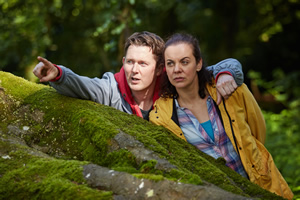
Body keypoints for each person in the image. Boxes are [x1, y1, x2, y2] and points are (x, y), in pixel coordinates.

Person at [149, 33, 293, 199]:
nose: (177, 69)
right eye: (170, 63)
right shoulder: (162, 118)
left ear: (198, 63)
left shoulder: (232, 91)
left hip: (259, 186)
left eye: (184, 62)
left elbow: (257, 131)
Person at [33, 31, 243, 121]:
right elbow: (82, 85)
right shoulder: (111, 88)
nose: (134, 70)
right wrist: (57, 74)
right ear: (123, 63)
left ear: (160, 68)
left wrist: (226, 74)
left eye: (143, 64)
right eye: (130, 62)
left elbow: (229, 64)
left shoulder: (173, 83)